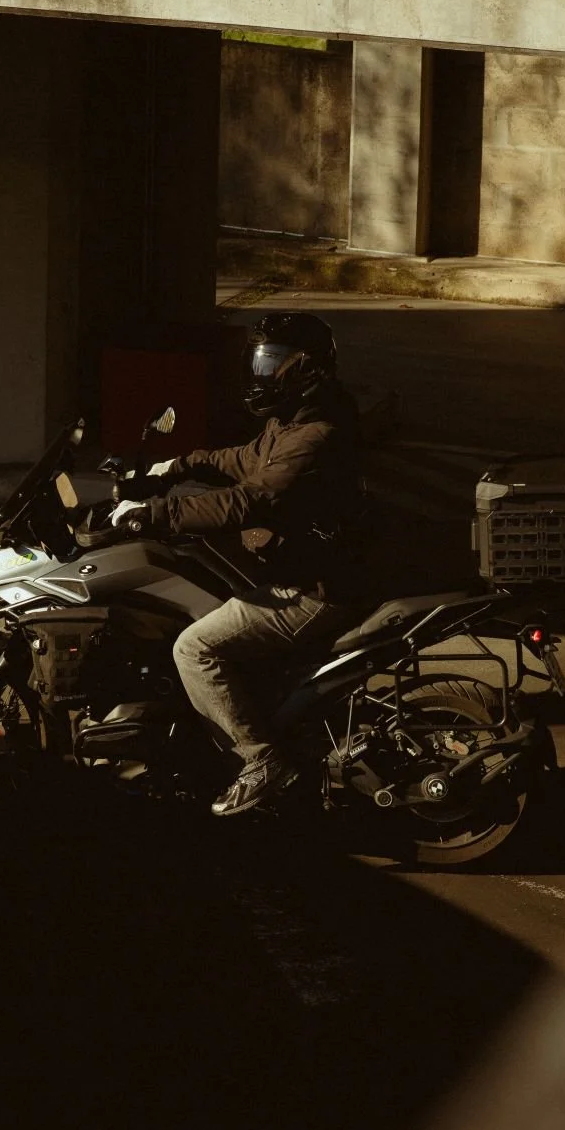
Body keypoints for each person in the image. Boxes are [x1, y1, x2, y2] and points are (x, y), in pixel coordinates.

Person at [109, 313, 367, 815]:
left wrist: (154, 514)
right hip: (300, 568)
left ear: (306, 368)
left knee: (195, 647)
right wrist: (174, 468)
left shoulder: (315, 436)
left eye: (272, 364)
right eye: (258, 362)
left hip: (313, 589)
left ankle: (260, 759)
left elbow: (247, 501)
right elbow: (243, 459)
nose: (260, 374)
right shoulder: (292, 423)